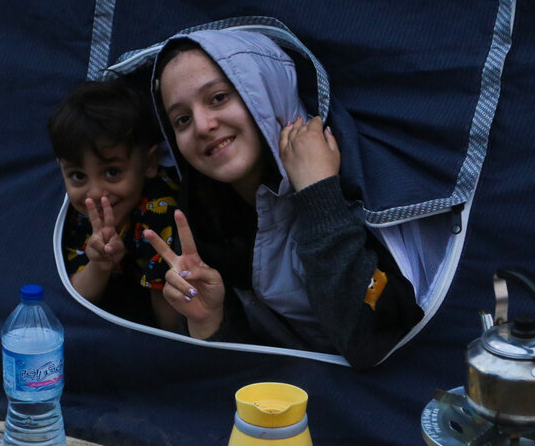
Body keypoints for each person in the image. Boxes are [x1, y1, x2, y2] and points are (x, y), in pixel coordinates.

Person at [141, 30, 422, 367]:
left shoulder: (358, 186)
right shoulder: (200, 219)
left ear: (267, 93)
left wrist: (320, 195)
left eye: (218, 97)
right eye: (182, 119)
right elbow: (244, 376)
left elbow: (371, 343)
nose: (202, 126)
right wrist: (208, 322)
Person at [48, 76, 181, 332]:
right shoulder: (78, 213)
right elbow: (75, 302)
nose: (95, 192)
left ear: (150, 163)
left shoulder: (161, 210)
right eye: (78, 176)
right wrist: (99, 264)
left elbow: (170, 328)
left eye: (112, 172)